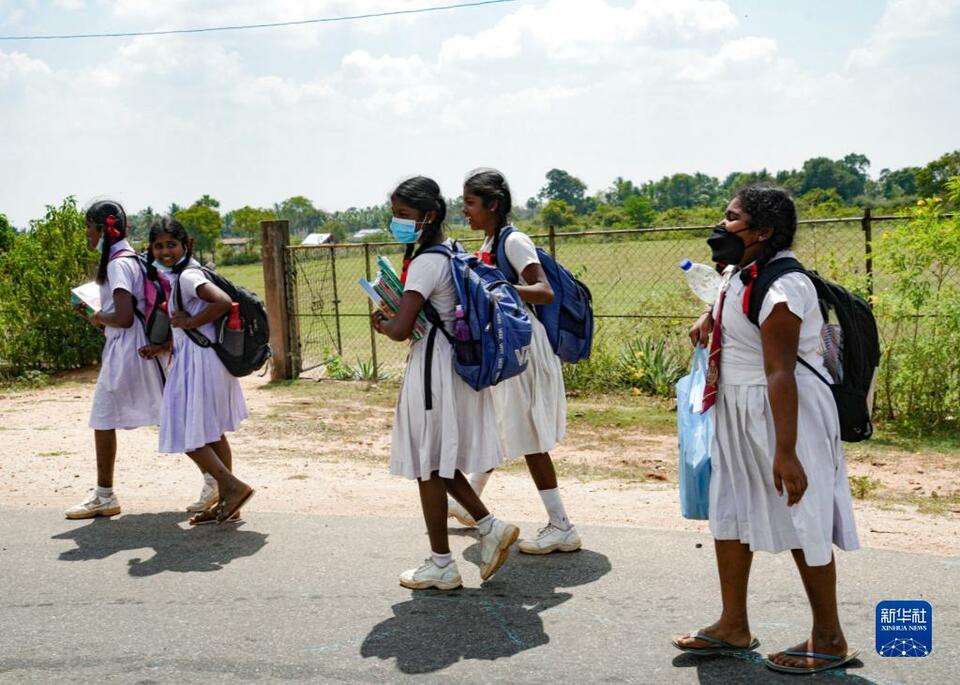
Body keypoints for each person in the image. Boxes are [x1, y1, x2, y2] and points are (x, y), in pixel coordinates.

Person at [672, 186, 860, 675]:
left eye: (732, 218)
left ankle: (830, 638)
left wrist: (787, 452)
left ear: (762, 232)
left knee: (802, 517)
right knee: (729, 509)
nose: (721, 225)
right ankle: (733, 624)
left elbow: (780, 370)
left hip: (781, 411)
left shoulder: (786, 286)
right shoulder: (742, 272)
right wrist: (708, 319)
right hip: (739, 408)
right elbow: (732, 301)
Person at [371, 176, 519, 590]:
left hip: (432, 368)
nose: (397, 222)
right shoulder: (453, 251)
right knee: (440, 461)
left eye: (404, 215)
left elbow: (402, 329)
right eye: (395, 214)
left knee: (427, 464)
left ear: (428, 216)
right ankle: (490, 528)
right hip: (457, 361)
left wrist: (383, 322)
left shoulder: (423, 262)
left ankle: (442, 562)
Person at [447, 168, 580, 555]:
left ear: (493, 204)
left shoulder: (513, 241)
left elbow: (544, 291)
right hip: (506, 346)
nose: (464, 210)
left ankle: (562, 525)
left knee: (530, 436)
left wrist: (494, 288)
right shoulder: (489, 241)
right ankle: (471, 503)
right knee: (503, 423)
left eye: (470, 202)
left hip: (525, 349)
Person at [148, 217, 253, 524]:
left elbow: (221, 302)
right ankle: (227, 502)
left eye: (171, 245)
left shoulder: (187, 277)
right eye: (159, 246)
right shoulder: (184, 275)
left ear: (185, 245)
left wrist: (190, 323)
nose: (165, 251)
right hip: (203, 359)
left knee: (182, 428)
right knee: (211, 432)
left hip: (198, 362)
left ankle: (231, 487)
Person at [66, 200, 166, 520]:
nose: (86, 234)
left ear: (100, 228)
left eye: (88, 227)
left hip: (128, 349)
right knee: (167, 412)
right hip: (139, 347)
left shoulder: (116, 263)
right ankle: (215, 480)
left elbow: (122, 317)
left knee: (104, 416)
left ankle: (105, 496)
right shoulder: (130, 256)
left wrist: (97, 316)